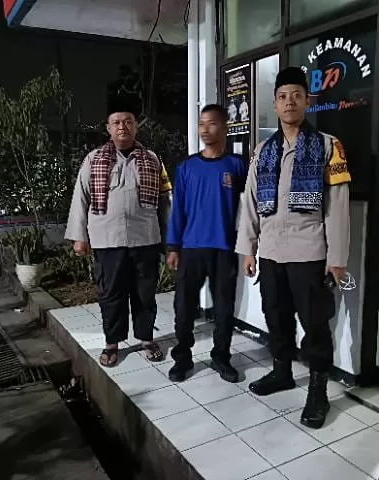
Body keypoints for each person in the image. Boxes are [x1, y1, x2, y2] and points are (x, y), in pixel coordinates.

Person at [236, 67, 351, 429]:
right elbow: (250, 202)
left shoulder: (328, 146)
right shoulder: (263, 151)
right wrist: (248, 248)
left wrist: (337, 258)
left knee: (315, 324)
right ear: (275, 103)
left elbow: (338, 206)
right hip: (271, 252)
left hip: (309, 253)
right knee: (276, 316)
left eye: (297, 96)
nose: (290, 103)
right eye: (283, 97)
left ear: (307, 101)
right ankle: (282, 371)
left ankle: (318, 391)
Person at [65, 97, 172, 368]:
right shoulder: (94, 159)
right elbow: (81, 198)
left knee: (145, 294)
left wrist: (170, 240)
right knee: (110, 294)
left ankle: (146, 339)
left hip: (145, 239)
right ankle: (112, 343)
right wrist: (79, 236)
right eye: (116, 122)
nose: (122, 127)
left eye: (128, 121)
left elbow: (164, 202)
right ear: (108, 128)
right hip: (107, 240)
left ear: (136, 126)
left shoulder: (152, 159)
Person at [166, 104, 248, 383]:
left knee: (224, 309)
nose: (205, 129)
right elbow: (178, 209)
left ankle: (221, 357)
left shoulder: (236, 166)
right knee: (184, 308)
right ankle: (182, 358)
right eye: (201, 124)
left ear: (225, 127)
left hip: (224, 248)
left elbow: (249, 207)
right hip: (190, 248)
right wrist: (173, 246)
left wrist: (249, 243)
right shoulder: (186, 167)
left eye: (212, 123)